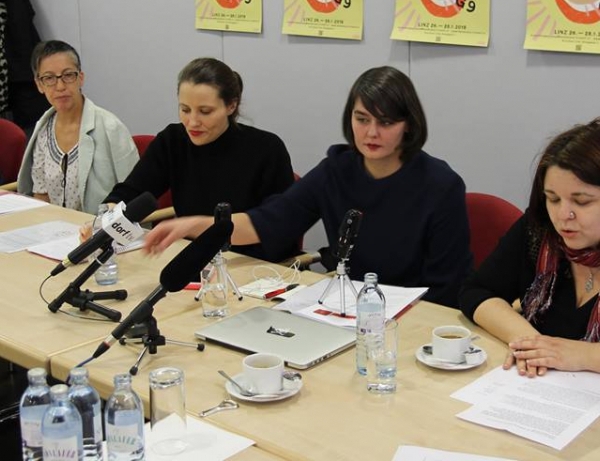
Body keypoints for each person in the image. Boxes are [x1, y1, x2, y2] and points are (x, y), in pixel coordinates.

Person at [145, 66, 472, 308]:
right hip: (345, 307)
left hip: (415, 314)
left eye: (385, 122)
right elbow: (268, 222)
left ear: (408, 125)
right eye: (362, 119)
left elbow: (446, 290)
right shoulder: (336, 170)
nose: (371, 132)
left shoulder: (440, 186)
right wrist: (195, 225)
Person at [104, 57, 296, 261]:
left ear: (231, 106)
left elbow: (278, 225)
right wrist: (105, 219)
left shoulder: (266, 149)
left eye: (205, 112)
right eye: (185, 109)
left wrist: (193, 226)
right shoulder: (172, 141)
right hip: (193, 259)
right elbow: (130, 192)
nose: (192, 122)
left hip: (252, 264)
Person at [459, 119, 600, 377]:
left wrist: (586, 355)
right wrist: (532, 344)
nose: (563, 215)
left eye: (581, 202)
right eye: (553, 199)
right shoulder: (540, 231)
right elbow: (477, 291)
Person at [17, 40, 138, 213]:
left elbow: (134, 194)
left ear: (80, 78)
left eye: (68, 75)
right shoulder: (43, 131)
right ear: (39, 85)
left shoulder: (111, 128)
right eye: (49, 78)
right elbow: (41, 196)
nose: (60, 86)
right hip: (56, 226)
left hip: (100, 227)